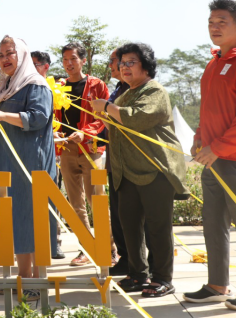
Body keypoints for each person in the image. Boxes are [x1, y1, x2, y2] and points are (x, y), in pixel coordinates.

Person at [183, 0, 236, 312]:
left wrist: (217, 147)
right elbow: (209, 110)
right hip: (213, 156)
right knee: (213, 222)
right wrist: (199, 138)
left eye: (222, 22)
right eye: (211, 22)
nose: (214, 27)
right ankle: (217, 285)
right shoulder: (214, 64)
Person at [93, 42, 188, 298]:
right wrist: (104, 115)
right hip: (127, 172)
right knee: (129, 227)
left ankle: (162, 277)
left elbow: (135, 118)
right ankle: (137, 274)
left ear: (145, 66)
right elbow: (116, 124)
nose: (124, 67)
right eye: (121, 63)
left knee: (157, 227)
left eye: (130, 62)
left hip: (155, 170)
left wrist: (106, 108)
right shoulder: (124, 94)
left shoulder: (154, 90)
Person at [0, 36, 57, 301]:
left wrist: (1, 115)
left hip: (30, 164)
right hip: (7, 164)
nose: (5, 59)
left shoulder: (35, 84)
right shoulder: (5, 87)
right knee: (16, 220)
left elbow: (38, 118)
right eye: (1, 54)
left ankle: (37, 281)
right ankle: (23, 278)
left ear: (22, 55)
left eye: (10, 53)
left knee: (33, 219)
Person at [55, 42, 114, 267]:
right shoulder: (58, 87)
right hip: (67, 150)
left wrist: (85, 133)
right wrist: (56, 133)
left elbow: (103, 117)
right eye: (65, 59)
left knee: (96, 200)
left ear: (83, 60)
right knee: (75, 204)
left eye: (73, 59)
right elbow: (54, 117)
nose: (69, 63)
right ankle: (86, 248)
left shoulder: (97, 85)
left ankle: (109, 248)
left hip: (91, 149)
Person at [31, 50, 65, 260]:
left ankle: (55, 242)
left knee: (53, 198)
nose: (29, 68)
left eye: (35, 64)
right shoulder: (21, 87)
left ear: (46, 67)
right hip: (29, 153)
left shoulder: (56, 89)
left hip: (54, 154)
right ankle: (29, 245)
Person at [102, 50, 132, 277]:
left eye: (113, 61)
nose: (111, 65)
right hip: (114, 160)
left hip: (130, 163)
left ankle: (137, 263)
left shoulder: (134, 90)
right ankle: (124, 258)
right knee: (118, 213)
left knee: (130, 215)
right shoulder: (117, 90)